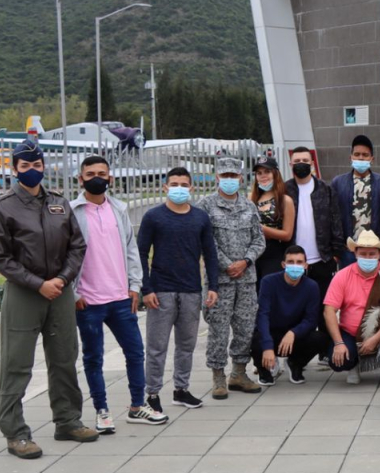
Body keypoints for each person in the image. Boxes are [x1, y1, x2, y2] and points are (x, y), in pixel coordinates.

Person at [0, 139, 97, 459]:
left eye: (37, 165)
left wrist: (62, 279)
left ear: (43, 167)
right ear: (14, 169)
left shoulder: (59, 203)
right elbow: (1, 258)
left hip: (59, 292)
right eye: (25, 166)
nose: (32, 170)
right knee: (17, 363)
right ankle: (16, 432)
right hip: (25, 293)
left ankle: (67, 421)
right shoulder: (3, 206)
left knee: (64, 358)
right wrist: (38, 284)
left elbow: (77, 246)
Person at [71, 155, 164, 431]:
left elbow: (131, 249)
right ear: (81, 179)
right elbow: (63, 254)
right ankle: (102, 410)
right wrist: (73, 293)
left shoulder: (119, 209)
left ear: (111, 178)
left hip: (121, 298)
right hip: (88, 301)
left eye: (102, 173)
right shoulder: (71, 211)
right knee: (93, 358)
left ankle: (137, 406)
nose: (97, 178)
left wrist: (134, 286)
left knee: (135, 353)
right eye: (90, 174)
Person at [139, 167, 219, 414]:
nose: (179, 188)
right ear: (165, 187)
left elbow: (210, 253)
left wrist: (212, 285)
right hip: (161, 290)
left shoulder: (200, 218)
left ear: (192, 187)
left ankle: (181, 390)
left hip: (191, 290)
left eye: (184, 184)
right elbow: (140, 253)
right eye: (174, 183)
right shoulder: (153, 217)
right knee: (157, 346)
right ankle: (152, 393)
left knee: (187, 344)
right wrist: (146, 288)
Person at [199, 156, 267, 400]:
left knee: (245, 326)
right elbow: (206, 242)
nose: (229, 180)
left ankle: (239, 372)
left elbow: (259, 239)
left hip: (247, 278)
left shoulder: (249, 206)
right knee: (218, 328)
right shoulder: (205, 205)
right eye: (224, 176)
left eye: (233, 176)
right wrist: (228, 265)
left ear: (240, 178)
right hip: (221, 280)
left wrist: (245, 261)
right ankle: (218, 376)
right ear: (217, 177)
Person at [322, 230, 380, 386]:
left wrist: (375, 338)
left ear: (379, 255)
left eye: (372, 254)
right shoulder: (342, 276)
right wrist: (339, 343)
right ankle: (353, 365)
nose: (367, 257)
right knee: (337, 361)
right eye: (363, 254)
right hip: (350, 332)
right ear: (355, 254)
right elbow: (329, 310)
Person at [252, 246, 327, 385]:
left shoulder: (311, 286)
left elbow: (311, 320)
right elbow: (263, 315)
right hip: (272, 332)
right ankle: (265, 369)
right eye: (290, 262)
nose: (295, 266)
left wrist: (293, 333)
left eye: (299, 262)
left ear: (306, 265)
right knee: (254, 339)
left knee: (320, 338)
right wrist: (267, 347)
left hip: (295, 336)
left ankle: (295, 364)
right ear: (283, 264)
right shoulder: (268, 282)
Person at [285, 146, 343, 298]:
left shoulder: (326, 189)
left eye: (305, 160)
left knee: (322, 308)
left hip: (322, 260)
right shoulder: (284, 190)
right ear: (290, 164)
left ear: (311, 162)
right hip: (293, 263)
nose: (301, 163)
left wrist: (335, 255)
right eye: (297, 161)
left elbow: (336, 221)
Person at [332, 134, 380, 266]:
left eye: (365, 155)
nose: (361, 158)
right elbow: (334, 217)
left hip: (374, 250)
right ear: (350, 157)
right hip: (348, 250)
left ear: (372, 159)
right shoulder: (338, 182)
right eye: (357, 154)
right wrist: (337, 249)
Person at [251, 157, 295, 287]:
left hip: (274, 254)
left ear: (275, 173)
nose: (263, 176)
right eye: (259, 173)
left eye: (267, 171)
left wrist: (261, 229)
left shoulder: (285, 200)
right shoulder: (251, 198)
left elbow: (287, 234)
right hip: (252, 255)